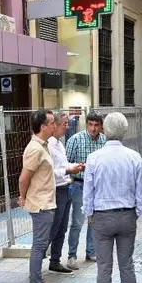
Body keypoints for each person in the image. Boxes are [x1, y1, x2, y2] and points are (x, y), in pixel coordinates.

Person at [83, 113, 142, 283]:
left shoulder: (94, 158)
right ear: (125, 131)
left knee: (104, 269)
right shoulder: (134, 157)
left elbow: (87, 192)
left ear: (104, 130)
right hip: (127, 215)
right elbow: (141, 191)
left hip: (102, 217)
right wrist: (136, 212)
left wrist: (89, 215)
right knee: (127, 266)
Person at [19, 109, 58, 283]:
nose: (54, 125)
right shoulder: (35, 148)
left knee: (42, 245)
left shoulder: (43, 145)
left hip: (46, 202)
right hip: (40, 204)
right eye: (51, 123)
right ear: (42, 127)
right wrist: (23, 197)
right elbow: (23, 178)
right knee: (39, 245)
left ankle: (38, 280)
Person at [65, 112, 106, 270]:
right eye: (90, 125)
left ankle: (91, 251)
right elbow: (65, 163)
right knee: (77, 222)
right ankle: (71, 255)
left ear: (100, 126)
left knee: (94, 222)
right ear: (86, 124)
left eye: (96, 125)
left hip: (97, 186)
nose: (93, 128)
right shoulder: (75, 139)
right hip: (79, 185)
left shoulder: (104, 140)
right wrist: (78, 166)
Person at [47, 112, 84, 274]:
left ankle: (55, 260)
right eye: (64, 124)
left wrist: (77, 165)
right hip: (56, 190)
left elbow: (63, 164)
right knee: (54, 227)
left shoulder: (60, 144)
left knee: (62, 228)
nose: (67, 127)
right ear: (54, 125)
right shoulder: (47, 145)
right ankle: (41, 254)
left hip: (65, 188)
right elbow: (50, 171)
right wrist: (70, 169)